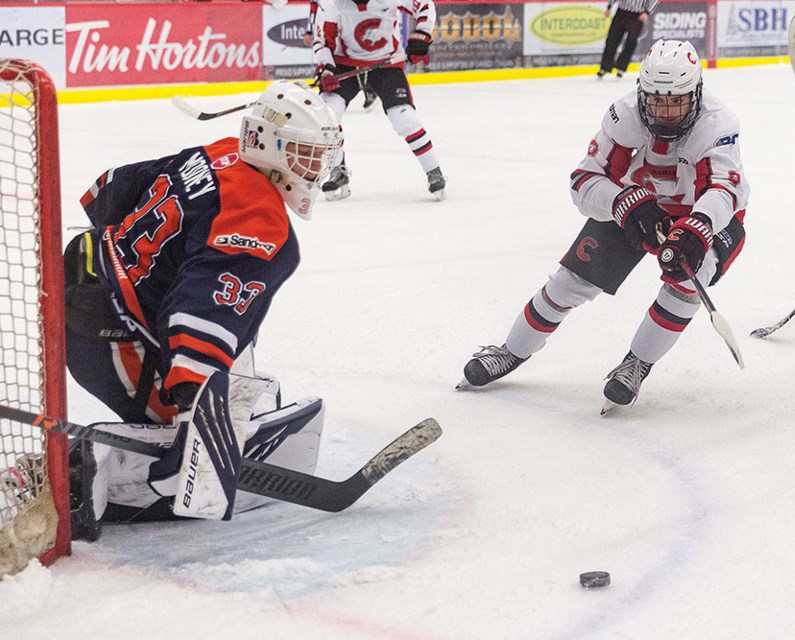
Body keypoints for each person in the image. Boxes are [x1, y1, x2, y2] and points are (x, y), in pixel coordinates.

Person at [61, 81, 341, 539]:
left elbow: (113, 188)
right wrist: (197, 411)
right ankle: (84, 471)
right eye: (305, 154)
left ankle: (201, 406)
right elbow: (200, 309)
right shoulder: (261, 220)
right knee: (202, 434)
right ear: (268, 147)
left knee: (247, 377)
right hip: (114, 335)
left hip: (91, 277)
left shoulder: (219, 153)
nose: (317, 168)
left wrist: (129, 259)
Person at [459, 40, 749, 413]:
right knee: (569, 282)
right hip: (640, 205)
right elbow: (582, 181)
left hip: (703, 215)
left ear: (696, 94)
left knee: (687, 283)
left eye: (676, 100)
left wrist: (696, 228)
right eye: (657, 99)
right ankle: (511, 351)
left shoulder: (717, 123)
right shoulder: (624, 115)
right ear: (642, 93)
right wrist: (623, 203)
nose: (665, 111)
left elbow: (724, 190)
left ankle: (637, 363)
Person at [312, 0, 446, 201]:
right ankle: (338, 170)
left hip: (386, 63)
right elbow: (322, 42)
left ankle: (433, 170)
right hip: (344, 65)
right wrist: (326, 67)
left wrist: (422, 34)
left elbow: (425, 5)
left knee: (404, 118)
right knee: (327, 117)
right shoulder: (331, 3)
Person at [598, 0, 660, 79]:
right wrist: (609, 7)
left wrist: (647, 12)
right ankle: (605, 66)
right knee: (612, 39)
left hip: (637, 15)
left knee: (631, 42)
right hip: (622, 12)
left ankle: (621, 66)